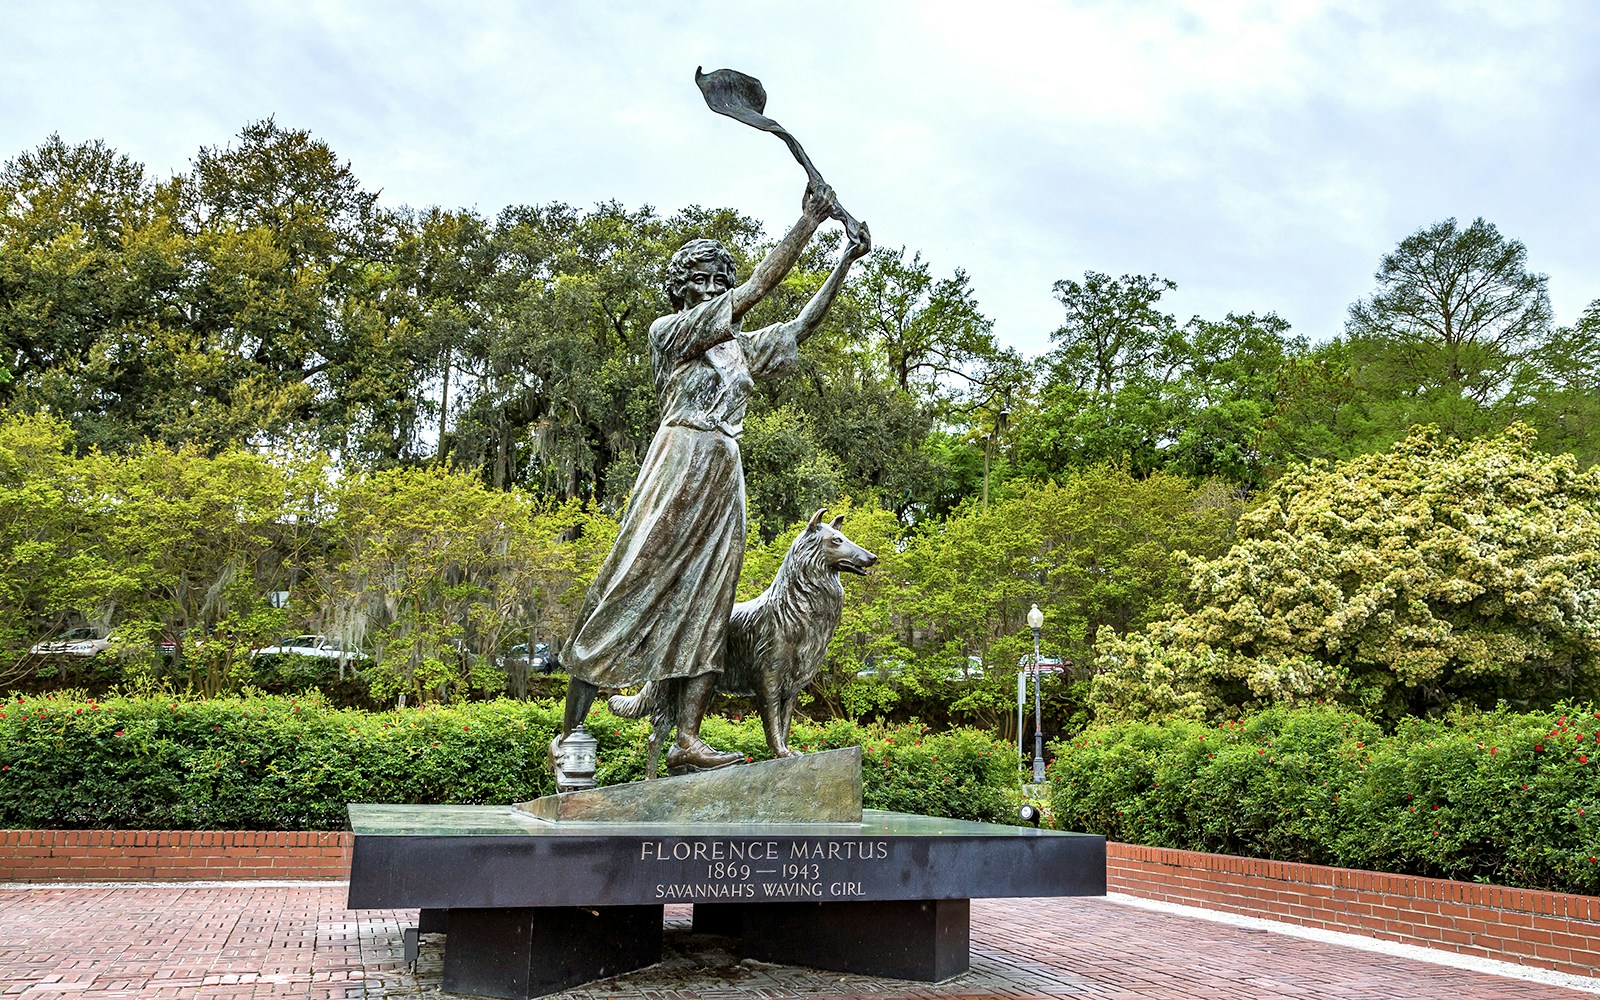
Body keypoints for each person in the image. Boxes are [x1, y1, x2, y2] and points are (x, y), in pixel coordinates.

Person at [552, 180, 870, 778]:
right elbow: (756, 289)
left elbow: (799, 326)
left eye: (718, 279)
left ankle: (687, 739)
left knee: (710, 599)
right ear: (681, 290)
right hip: (679, 464)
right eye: (701, 279)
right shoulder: (668, 333)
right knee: (627, 587)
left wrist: (844, 261)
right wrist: (807, 222)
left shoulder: (737, 352)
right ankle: (570, 733)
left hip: (725, 473)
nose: (714, 288)